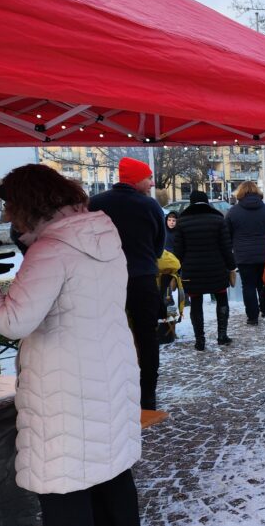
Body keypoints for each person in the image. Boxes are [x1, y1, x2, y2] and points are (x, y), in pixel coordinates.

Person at [0, 164, 141, 526]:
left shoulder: (51, 250)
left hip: (64, 385)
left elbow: (14, 321)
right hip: (108, 370)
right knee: (110, 471)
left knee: (65, 484)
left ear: (26, 204)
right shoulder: (100, 234)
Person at [89, 157, 165, 410]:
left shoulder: (96, 204)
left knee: (105, 335)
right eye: (148, 178)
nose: (152, 183)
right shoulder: (149, 205)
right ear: (136, 179)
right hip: (142, 277)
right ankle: (148, 394)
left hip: (103, 278)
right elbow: (158, 243)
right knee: (147, 336)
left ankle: (110, 390)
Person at [174, 190, 236, 350]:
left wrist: (176, 270)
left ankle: (199, 340)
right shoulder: (217, 219)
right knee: (222, 298)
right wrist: (231, 266)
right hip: (217, 268)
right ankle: (222, 336)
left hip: (192, 270)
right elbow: (226, 246)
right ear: (207, 202)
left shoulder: (182, 222)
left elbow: (178, 250)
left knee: (195, 302)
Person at [226, 181, 265, 325]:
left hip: (243, 255)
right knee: (264, 283)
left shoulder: (233, 212)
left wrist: (231, 253)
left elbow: (227, 234)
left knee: (248, 285)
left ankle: (252, 317)